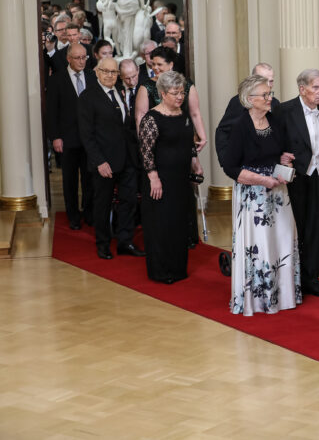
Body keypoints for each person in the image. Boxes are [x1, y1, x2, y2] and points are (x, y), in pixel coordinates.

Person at [222, 75, 301, 314]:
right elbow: (230, 167)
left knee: (283, 241)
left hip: (278, 194)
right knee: (260, 246)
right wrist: (262, 180)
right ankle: (258, 300)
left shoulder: (275, 121)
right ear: (249, 99)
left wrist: (284, 160)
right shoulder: (239, 126)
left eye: (270, 94)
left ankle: (284, 296)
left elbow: (278, 152)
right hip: (253, 197)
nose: (270, 98)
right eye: (265, 95)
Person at [277, 69, 319, 297]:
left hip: (316, 177)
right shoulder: (284, 110)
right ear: (302, 89)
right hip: (294, 179)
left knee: (314, 230)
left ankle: (312, 279)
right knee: (295, 230)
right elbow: (277, 144)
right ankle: (292, 281)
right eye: (316, 87)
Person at [77, 57, 145, 260]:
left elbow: (125, 127)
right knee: (103, 204)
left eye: (113, 72)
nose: (109, 75)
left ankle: (125, 241)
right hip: (104, 163)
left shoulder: (120, 92)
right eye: (105, 71)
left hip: (127, 160)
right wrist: (99, 161)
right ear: (97, 72)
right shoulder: (87, 97)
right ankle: (103, 244)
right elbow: (86, 135)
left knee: (129, 201)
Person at [138, 71, 203, 283]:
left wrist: (195, 163)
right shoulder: (151, 118)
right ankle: (161, 271)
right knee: (161, 225)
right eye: (175, 93)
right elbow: (146, 151)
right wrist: (153, 178)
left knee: (178, 224)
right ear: (163, 94)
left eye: (182, 92)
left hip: (180, 179)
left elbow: (189, 144)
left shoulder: (183, 116)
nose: (180, 97)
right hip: (160, 180)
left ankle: (177, 269)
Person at [46, 43, 96, 229]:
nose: (82, 61)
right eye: (78, 58)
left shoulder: (92, 77)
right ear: (68, 58)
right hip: (67, 139)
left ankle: (89, 213)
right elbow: (51, 112)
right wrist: (56, 137)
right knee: (70, 181)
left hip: (90, 140)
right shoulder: (57, 80)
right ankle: (73, 216)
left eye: (84, 57)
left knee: (90, 179)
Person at [216, 62, 280, 169]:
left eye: (271, 81)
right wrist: (227, 161)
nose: (268, 85)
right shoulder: (238, 102)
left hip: (270, 166)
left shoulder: (275, 103)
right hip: (246, 168)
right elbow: (223, 131)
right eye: (264, 80)